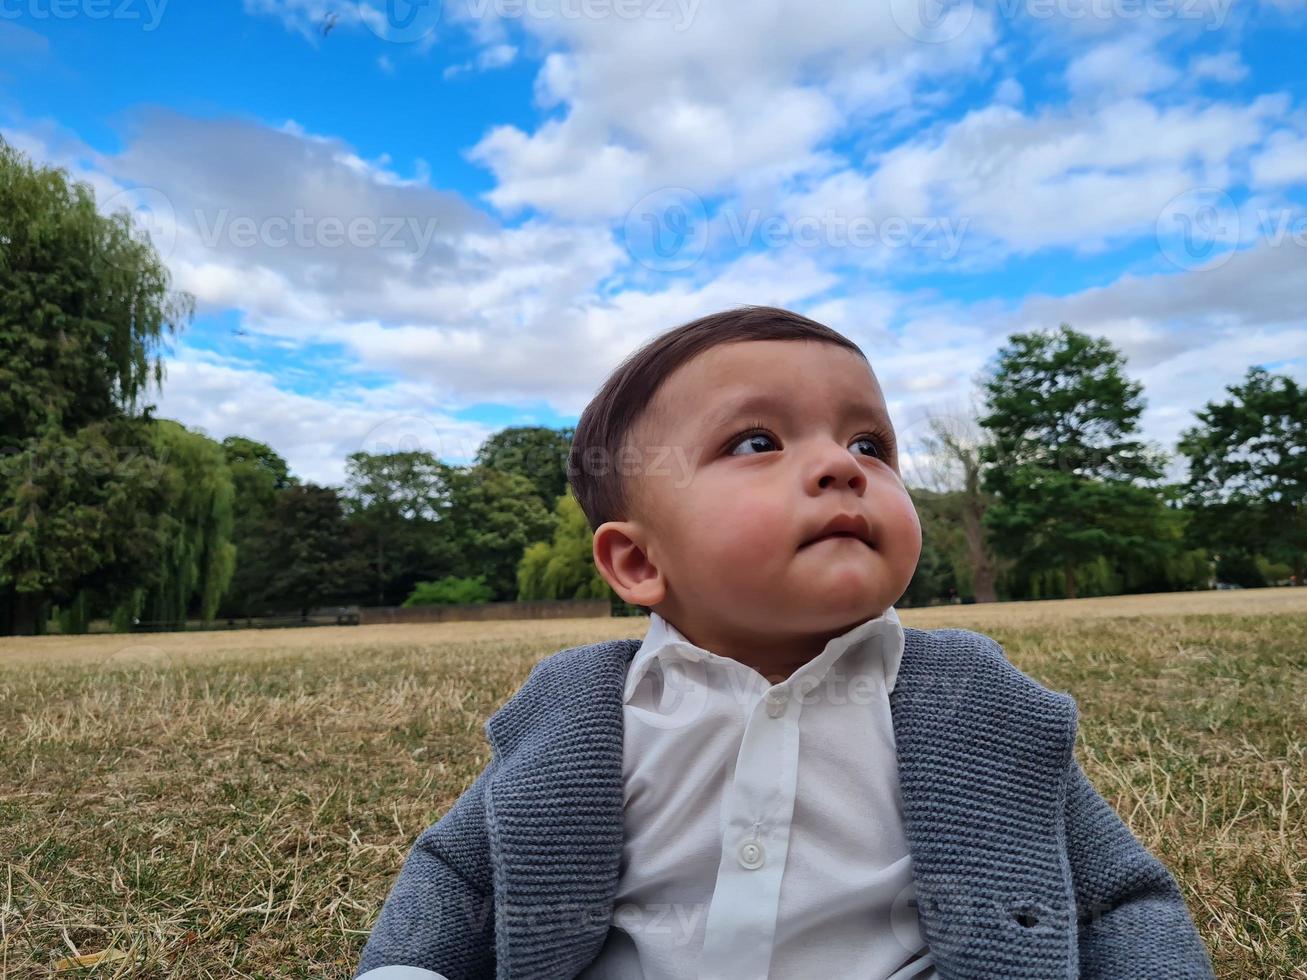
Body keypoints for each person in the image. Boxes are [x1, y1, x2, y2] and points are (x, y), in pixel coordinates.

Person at [353, 306, 1215, 979]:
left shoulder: (977, 702)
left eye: (868, 442)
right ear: (637, 561)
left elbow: (1117, 899)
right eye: (756, 441)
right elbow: (458, 873)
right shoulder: (581, 712)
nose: (842, 466)